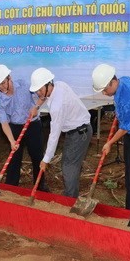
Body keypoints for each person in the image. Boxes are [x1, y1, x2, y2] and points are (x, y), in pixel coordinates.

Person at [91, 64, 130, 212]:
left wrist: (110, 143)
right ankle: (129, 209)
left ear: (113, 82)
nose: (105, 93)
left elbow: (125, 127)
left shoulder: (127, 98)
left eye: (105, 90)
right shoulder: (124, 80)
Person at [29, 67, 92, 198]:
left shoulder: (57, 105)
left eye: (40, 90)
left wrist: (46, 159)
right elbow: (46, 96)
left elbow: (54, 133)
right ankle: (70, 193)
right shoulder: (60, 85)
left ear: (48, 84)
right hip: (80, 130)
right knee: (69, 164)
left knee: (69, 166)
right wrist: (37, 106)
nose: (39, 93)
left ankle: (70, 199)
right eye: (37, 91)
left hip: (79, 133)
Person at [0, 64, 49, 191]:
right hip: (14, 128)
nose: (1, 87)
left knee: (37, 157)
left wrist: (36, 106)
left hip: (33, 125)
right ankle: (11, 188)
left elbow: (42, 96)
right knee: (14, 158)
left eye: (3, 82)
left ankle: (40, 187)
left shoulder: (24, 85)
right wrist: (12, 141)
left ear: (9, 77)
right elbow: (4, 123)